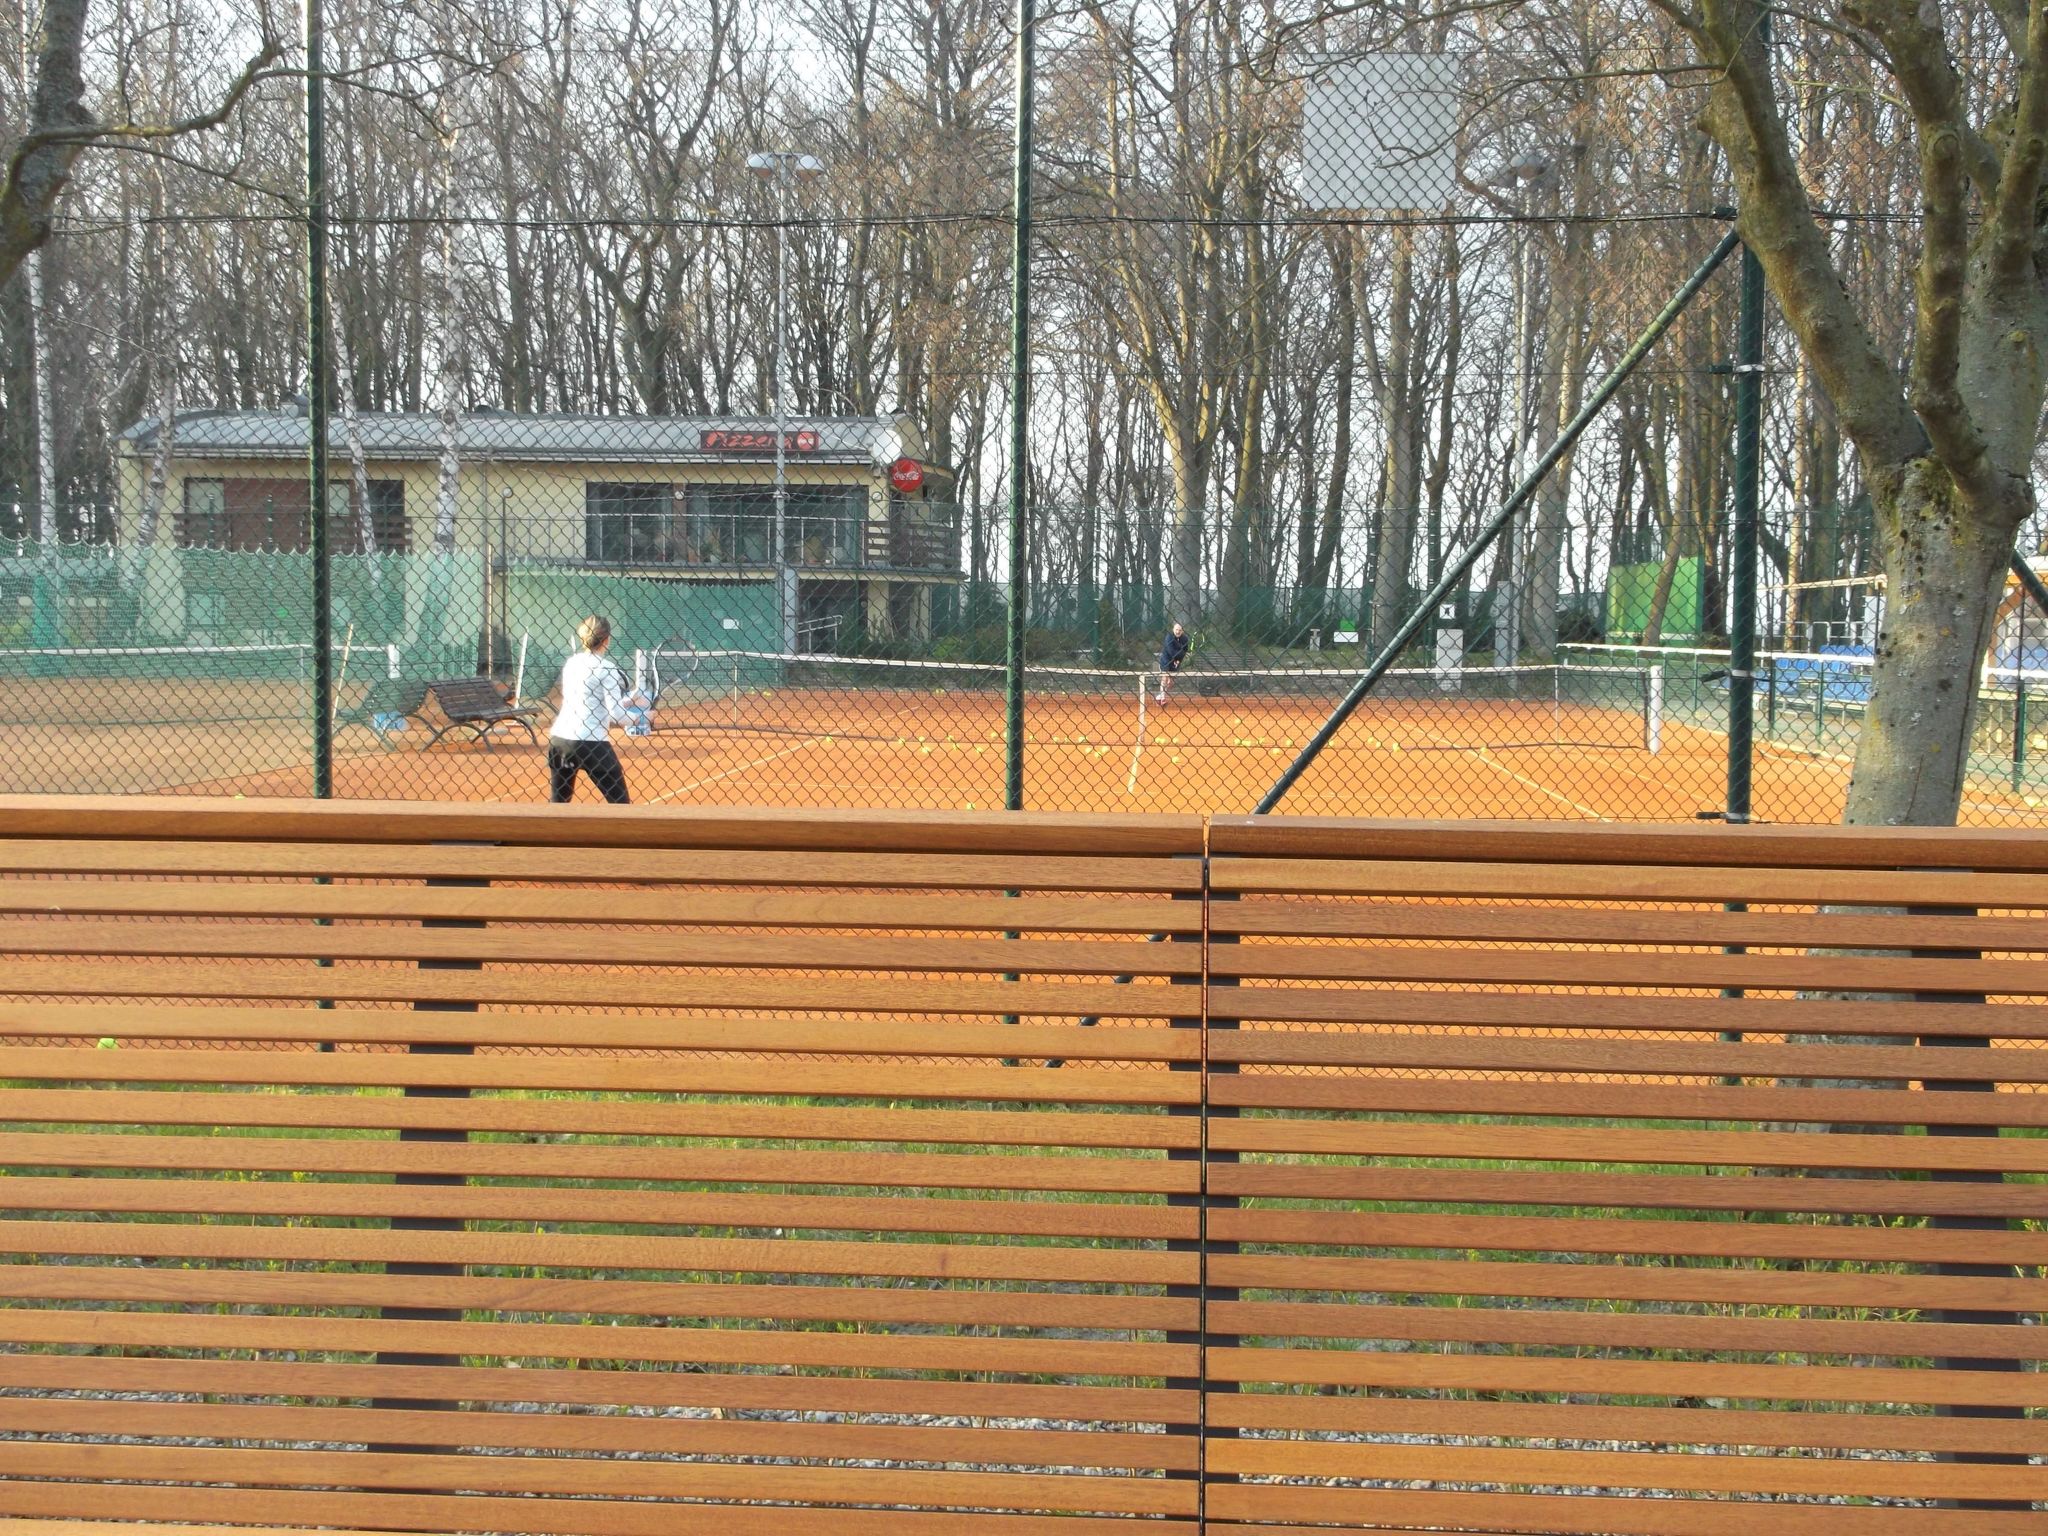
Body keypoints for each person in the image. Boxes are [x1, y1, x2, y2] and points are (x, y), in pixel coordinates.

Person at [546, 615, 641, 803]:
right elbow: (616, 714)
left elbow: (587, 700)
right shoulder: (607, 668)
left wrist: (628, 703)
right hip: (592, 744)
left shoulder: (571, 663)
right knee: (620, 803)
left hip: (561, 740)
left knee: (559, 803)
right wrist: (640, 717)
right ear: (607, 639)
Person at [1156, 621, 1191, 703]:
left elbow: (1185, 651)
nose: (1178, 631)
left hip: (1176, 662)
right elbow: (1171, 651)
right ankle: (1163, 698)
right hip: (1166, 660)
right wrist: (1181, 654)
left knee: (1171, 683)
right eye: (1176, 629)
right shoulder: (1169, 637)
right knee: (1165, 677)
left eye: (1179, 630)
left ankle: (1160, 695)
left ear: (1182, 631)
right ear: (1173, 629)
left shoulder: (1185, 639)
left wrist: (1179, 660)